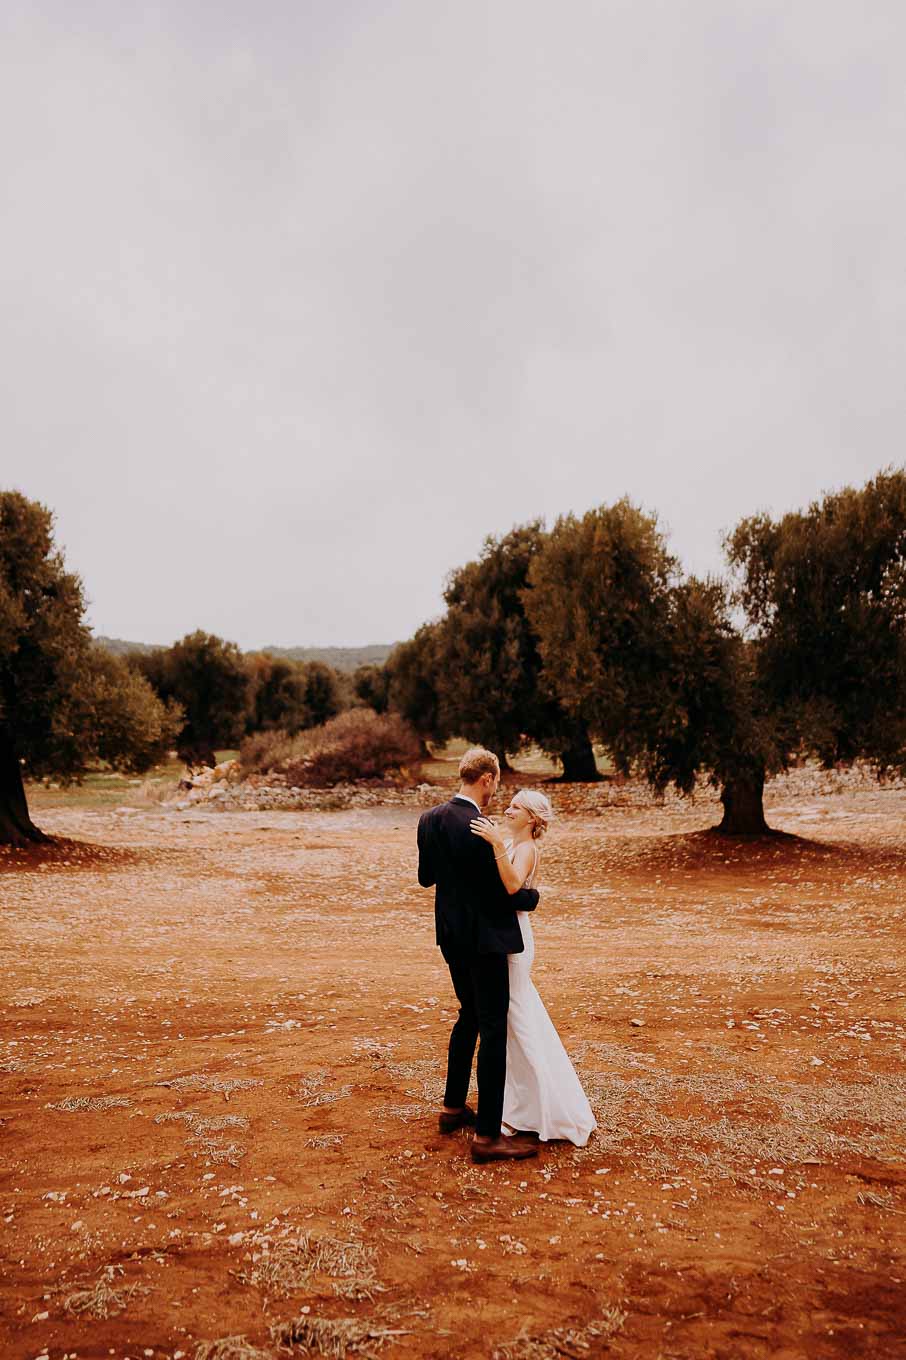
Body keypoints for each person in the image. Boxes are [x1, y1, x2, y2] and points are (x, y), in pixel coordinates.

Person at [417, 747, 541, 1163]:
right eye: (496, 783)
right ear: (487, 778)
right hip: (485, 941)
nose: (496, 792)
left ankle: (452, 1108)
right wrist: (533, 897)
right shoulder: (480, 827)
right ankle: (487, 1136)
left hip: (451, 937)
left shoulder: (429, 819)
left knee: (467, 1015)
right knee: (491, 1028)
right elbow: (502, 892)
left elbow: (426, 878)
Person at [471, 789, 597, 1146]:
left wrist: (496, 842)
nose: (508, 810)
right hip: (502, 934)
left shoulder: (526, 848)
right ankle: (518, 1106)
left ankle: (544, 1108)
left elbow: (513, 886)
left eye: (516, 807)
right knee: (511, 1021)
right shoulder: (513, 845)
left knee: (517, 1017)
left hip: (514, 940)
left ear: (532, 818)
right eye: (509, 805)